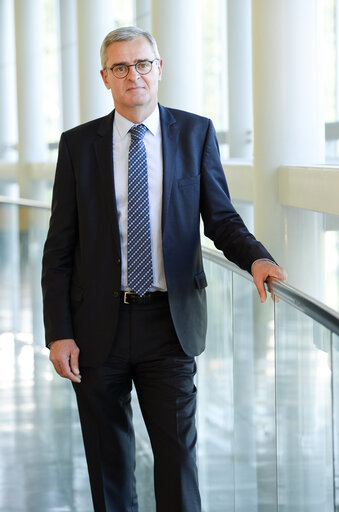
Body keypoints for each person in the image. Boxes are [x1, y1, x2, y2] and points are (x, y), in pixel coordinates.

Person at [41, 26, 286, 512]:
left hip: (169, 324)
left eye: (142, 64)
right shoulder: (76, 145)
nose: (133, 75)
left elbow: (220, 216)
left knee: (178, 462)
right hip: (95, 329)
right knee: (108, 466)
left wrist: (257, 256)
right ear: (105, 78)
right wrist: (58, 333)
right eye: (120, 67)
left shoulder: (194, 133)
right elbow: (59, 248)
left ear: (160, 69)